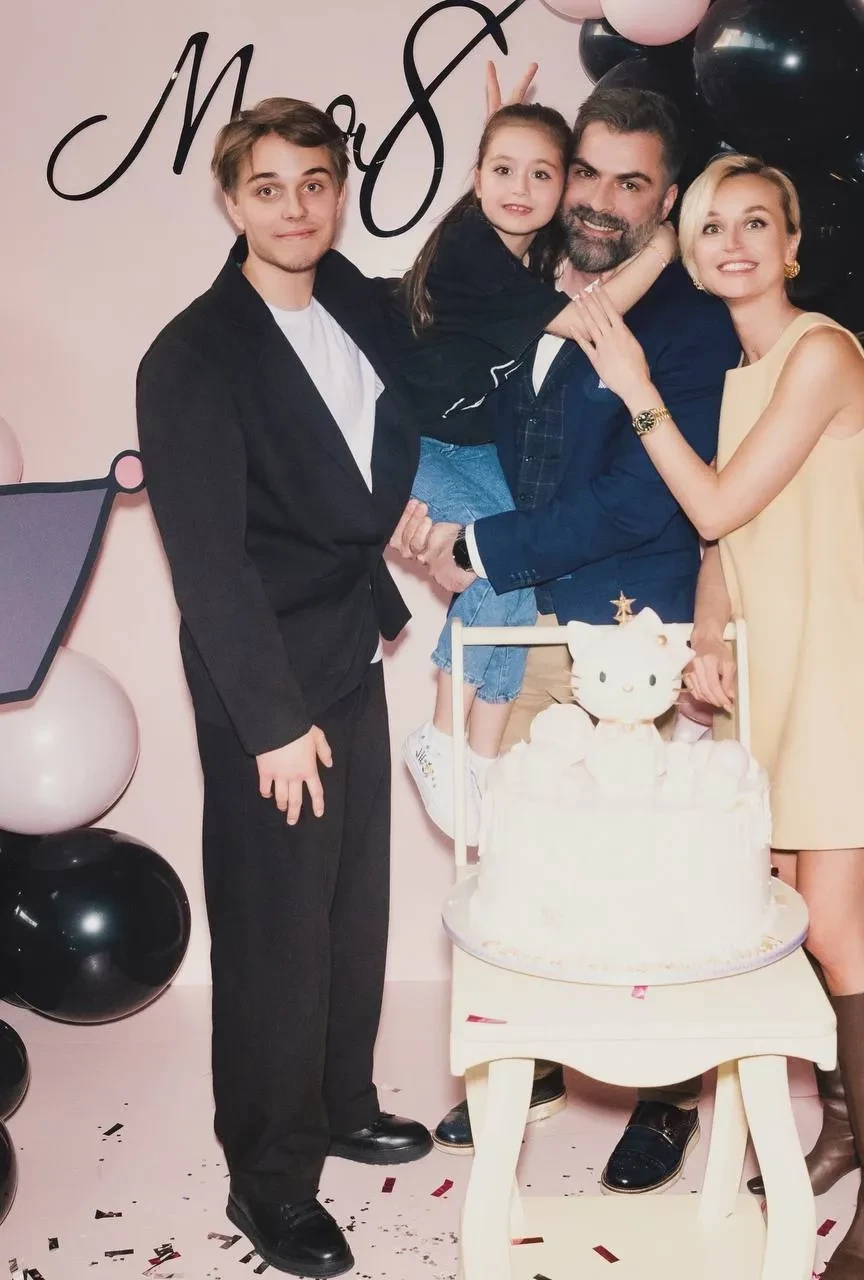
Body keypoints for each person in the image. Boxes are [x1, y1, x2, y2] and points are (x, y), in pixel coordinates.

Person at [570, 154, 864, 1280]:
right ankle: (842, 1131)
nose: (731, 241)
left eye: (754, 222)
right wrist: (711, 638)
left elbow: (715, 498)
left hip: (839, 672)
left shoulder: (820, 352)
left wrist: (635, 387)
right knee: (792, 921)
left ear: (791, 245)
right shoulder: (742, 374)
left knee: (835, 931)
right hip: (773, 676)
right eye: (712, 224)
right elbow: (726, 537)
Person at [393, 85, 741, 1195]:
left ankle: (664, 1093)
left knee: (647, 872)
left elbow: (642, 499)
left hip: (635, 627)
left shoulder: (689, 321)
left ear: (668, 200)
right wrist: (428, 513)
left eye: (630, 183)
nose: (596, 199)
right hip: (530, 621)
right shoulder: (526, 280)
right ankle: (527, 1060)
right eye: (584, 171)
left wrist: (482, 548)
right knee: (526, 862)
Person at [136, 98, 432, 1280]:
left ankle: (341, 1103)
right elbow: (207, 561)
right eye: (268, 187)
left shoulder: (353, 299)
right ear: (231, 200)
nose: (296, 207)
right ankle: (268, 1179)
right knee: (274, 938)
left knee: (351, 911)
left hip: (349, 648)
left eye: (315, 183)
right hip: (265, 678)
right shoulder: (192, 354)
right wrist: (270, 722)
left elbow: (393, 418)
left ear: (338, 192)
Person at [394, 91, 676, 842]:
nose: (521, 189)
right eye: (503, 170)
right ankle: (440, 736)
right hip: (426, 446)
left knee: (505, 569)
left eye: (542, 174)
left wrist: (512, 139)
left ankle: (479, 757)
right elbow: (590, 322)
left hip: (475, 452)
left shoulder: (531, 258)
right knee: (494, 563)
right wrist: (662, 247)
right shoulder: (471, 250)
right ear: (475, 177)